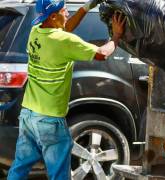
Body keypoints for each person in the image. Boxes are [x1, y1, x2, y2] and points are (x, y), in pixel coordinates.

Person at [7, 0, 126, 179]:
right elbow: (102, 53)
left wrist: (87, 7)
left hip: (29, 115)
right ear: (53, 17)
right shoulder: (64, 41)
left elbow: (64, 29)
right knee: (59, 173)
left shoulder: (35, 32)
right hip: (50, 120)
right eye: (64, 11)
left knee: (20, 167)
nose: (67, 14)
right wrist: (116, 37)